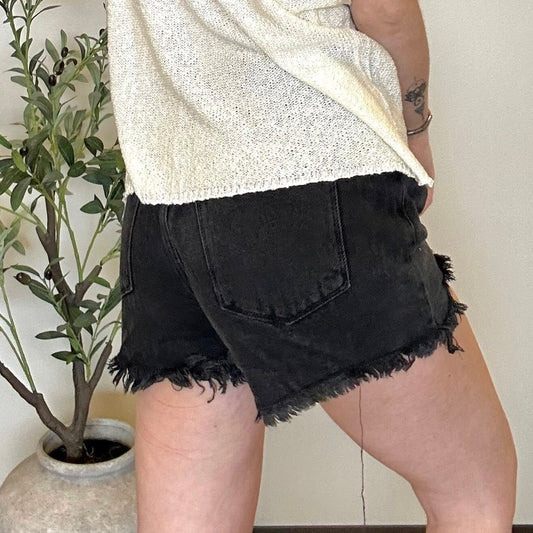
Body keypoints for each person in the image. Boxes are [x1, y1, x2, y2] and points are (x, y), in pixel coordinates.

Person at [105, 0, 517, 531]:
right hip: (307, 172)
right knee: (474, 495)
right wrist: (415, 130)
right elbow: (386, 8)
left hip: (163, 205)